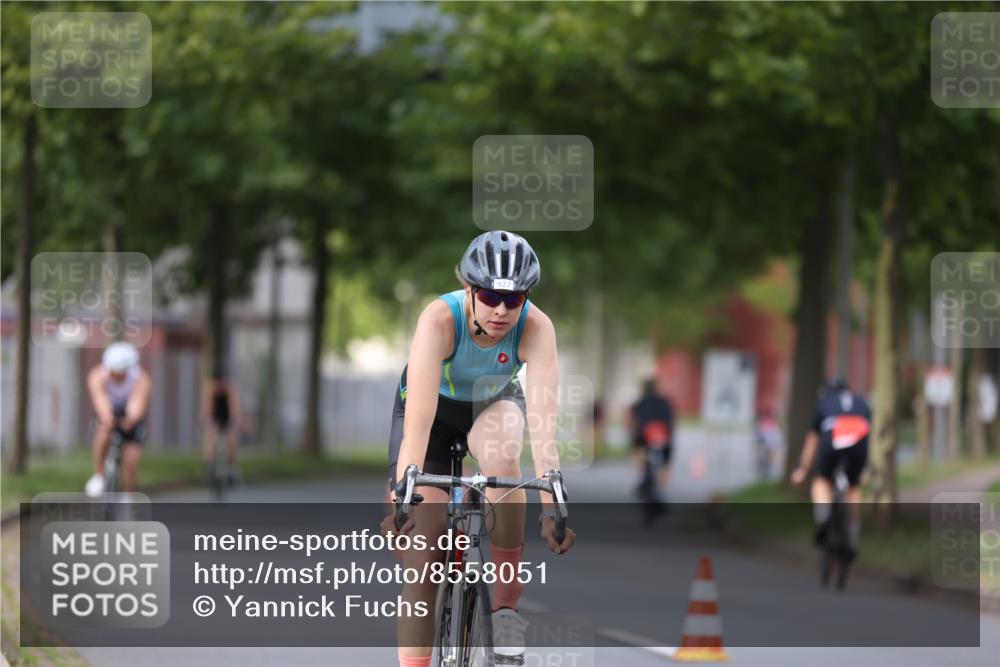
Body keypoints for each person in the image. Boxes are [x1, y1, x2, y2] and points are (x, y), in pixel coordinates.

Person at [384, 230, 576, 667]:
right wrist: (403, 500)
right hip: (429, 414)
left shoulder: (537, 327)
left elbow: (544, 430)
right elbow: (417, 425)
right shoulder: (438, 320)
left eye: (516, 298)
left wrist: (552, 507)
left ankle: (506, 607)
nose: (502, 310)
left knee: (506, 458)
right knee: (421, 562)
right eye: (490, 296)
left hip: (494, 405)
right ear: (469, 289)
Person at [790, 377, 871, 560]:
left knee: (821, 481)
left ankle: (824, 519)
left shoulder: (823, 403)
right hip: (858, 442)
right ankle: (852, 538)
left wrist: (802, 470)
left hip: (832, 439)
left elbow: (812, 441)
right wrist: (865, 469)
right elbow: (868, 434)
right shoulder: (862, 402)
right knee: (853, 487)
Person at [84, 342, 152, 497]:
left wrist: (131, 418)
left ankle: (127, 495)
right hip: (108, 410)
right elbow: (99, 398)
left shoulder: (141, 378)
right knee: (103, 432)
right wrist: (107, 416)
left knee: (131, 456)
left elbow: (138, 401)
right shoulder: (97, 375)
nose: (118, 375)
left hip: (130, 414)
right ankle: (99, 475)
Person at [628, 378, 674, 505]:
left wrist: (632, 440)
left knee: (638, 451)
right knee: (665, 461)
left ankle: (640, 475)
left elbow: (633, 421)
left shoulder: (640, 402)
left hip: (645, 432)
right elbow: (671, 420)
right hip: (664, 433)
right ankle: (664, 489)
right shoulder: (665, 402)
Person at [200, 366, 243, 484]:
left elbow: (235, 410)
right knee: (210, 436)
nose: (220, 385)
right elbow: (206, 411)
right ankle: (210, 465)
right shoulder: (209, 390)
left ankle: (231, 467)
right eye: (217, 383)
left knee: (232, 438)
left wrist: (234, 424)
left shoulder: (230, 390)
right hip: (215, 415)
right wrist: (208, 423)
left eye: (221, 382)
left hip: (227, 415)